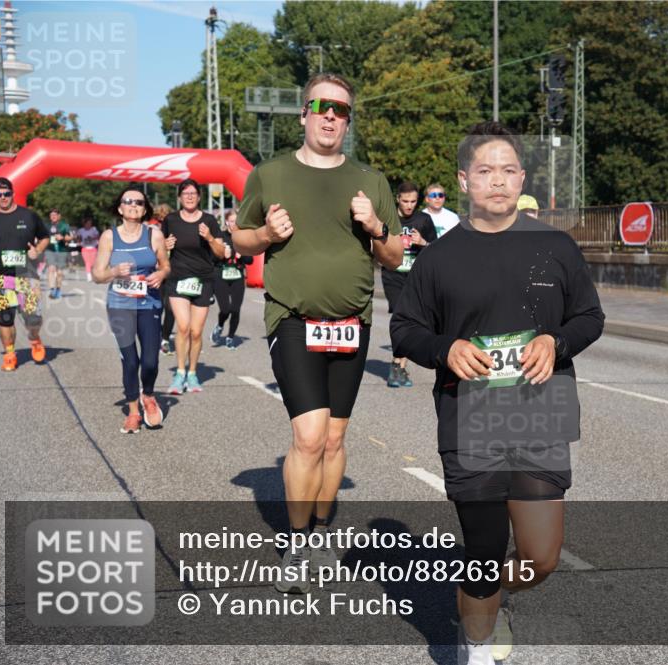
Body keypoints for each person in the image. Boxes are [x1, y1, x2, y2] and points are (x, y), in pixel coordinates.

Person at [391, 122, 604, 665]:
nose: (498, 181)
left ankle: (484, 599)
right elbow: (405, 329)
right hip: (471, 416)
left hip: (541, 410)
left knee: (540, 559)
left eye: (509, 170)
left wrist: (556, 341)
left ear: (522, 178)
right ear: (464, 180)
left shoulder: (554, 246)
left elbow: (590, 317)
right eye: (485, 171)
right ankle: (477, 645)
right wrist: (446, 349)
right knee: (484, 552)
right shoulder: (439, 258)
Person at [233, 72, 402, 592]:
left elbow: (396, 257)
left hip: (352, 324)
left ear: (348, 121)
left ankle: (324, 530)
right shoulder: (269, 174)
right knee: (307, 437)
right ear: (304, 113)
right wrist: (265, 234)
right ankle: (297, 542)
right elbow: (240, 239)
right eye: (322, 106)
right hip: (293, 318)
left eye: (342, 110)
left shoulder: (371, 180)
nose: (331, 115)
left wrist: (375, 227)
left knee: (334, 438)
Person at [91, 185, 170, 433]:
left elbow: (166, 266)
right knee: (130, 361)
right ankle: (134, 412)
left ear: (145, 208)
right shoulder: (108, 237)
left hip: (149, 303)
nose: (133, 205)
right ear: (120, 208)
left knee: (150, 361)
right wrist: (114, 271)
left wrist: (161, 274)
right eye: (128, 201)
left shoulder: (154, 234)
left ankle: (148, 394)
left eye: (138, 202)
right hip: (120, 305)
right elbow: (97, 275)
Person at [161, 179, 225, 393]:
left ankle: (192, 373)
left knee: (196, 332)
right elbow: (159, 250)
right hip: (178, 278)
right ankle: (179, 373)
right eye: (185, 193)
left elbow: (220, 252)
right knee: (183, 327)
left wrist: (209, 237)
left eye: (193, 193)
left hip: (203, 280)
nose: (189, 196)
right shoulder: (170, 220)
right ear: (179, 197)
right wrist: (165, 247)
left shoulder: (209, 221)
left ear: (199, 197)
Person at [0, 177, 50, 371]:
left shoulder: (29, 216)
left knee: (33, 318)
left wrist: (37, 250)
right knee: (5, 318)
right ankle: (10, 353)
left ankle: (34, 338)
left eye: (7, 194)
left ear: (13, 193)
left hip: (26, 276)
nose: (3, 197)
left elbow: (45, 237)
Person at [382, 181, 437, 388]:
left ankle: (399, 366)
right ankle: (398, 365)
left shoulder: (424, 220)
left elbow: (436, 249)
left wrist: (422, 242)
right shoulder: (389, 218)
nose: (409, 205)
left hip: (415, 278)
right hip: (393, 276)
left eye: (413, 201)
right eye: (405, 201)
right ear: (398, 199)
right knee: (399, 315)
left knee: (409, 320)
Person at [211, 208, 252, 349]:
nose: (233, 224)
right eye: (231, 221)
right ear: (227, 222)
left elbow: (250, 260)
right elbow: (211, 258)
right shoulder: (220, 236)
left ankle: (230, 337)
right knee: (225, 309)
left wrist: (242, 255)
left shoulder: (242, 237)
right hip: (220, 275)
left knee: (235, 309)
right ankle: (220, 324)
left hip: (237, 276)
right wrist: (222, 254)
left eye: (236, 221)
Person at [151, 203, 176, 354]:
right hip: (157, 272)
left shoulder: (175, 230)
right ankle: (157, 334)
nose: (163, 219)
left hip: (173, 272)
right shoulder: (152, 230)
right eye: (161, 216)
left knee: (171, 307)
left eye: (166, 216)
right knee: (157, 306)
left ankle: (165, 339)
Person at [45, 208, 72, 299]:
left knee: (59, 272)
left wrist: (63, 238)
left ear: (59, 216)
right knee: (51, 269)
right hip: (50, 250)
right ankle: (52, 290)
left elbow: (70, 238)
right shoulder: (46, 225)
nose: (53, 217)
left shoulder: (64, 225)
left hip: (62, 250)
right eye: (51, 215)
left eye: (55, 215)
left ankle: (58, 289)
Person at [77, 218, 100, 282]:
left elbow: (97, 236)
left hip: (93, 247)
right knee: (87, 262)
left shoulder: (94, 229)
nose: (89, 225)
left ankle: (93, 275)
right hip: (85, 248)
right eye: (87, 223)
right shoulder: (81, 230)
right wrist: (79, 241)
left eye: (90, 223)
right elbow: (78, 237)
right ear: (84, 224)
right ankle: (88, 275)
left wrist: (92, 238)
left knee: (93, 263)